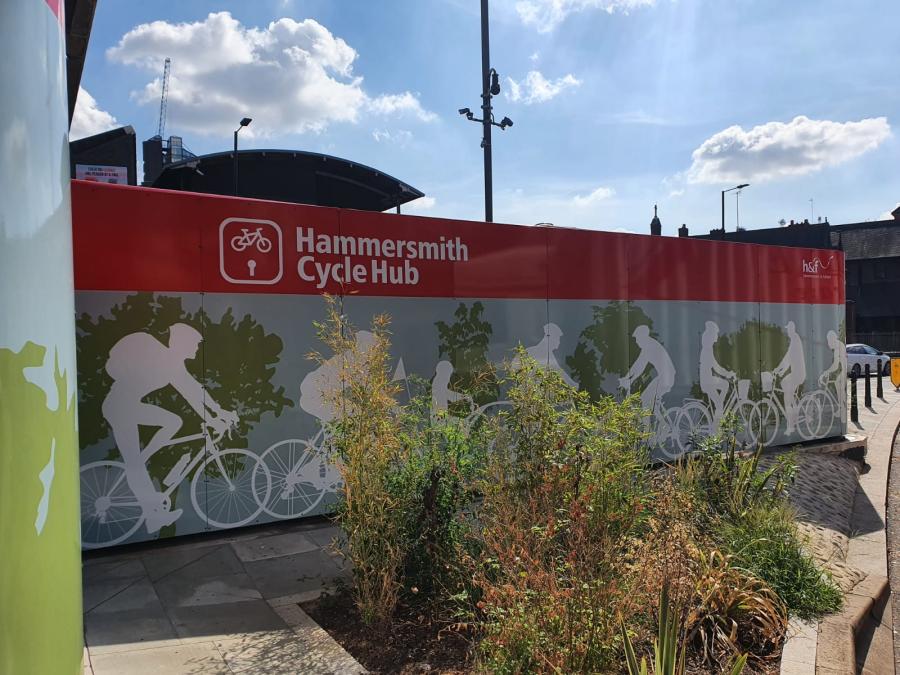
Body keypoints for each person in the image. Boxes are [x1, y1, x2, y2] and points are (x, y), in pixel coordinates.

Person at [101, 323, 238, 533]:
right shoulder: (166, 360)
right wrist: (214, 417)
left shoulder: (172, 363)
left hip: (126, 405)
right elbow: (193, 394)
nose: (196, 349)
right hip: (120, 406)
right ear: (182, 343)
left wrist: (217, 414)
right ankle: (142, 461)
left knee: (169, 426)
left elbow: (194, 392)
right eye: (194, 344)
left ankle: (154, 517)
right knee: (140, 457)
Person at [619, 325, 676, 421]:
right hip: (664, 377)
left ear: (643, 337)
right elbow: (637, 366)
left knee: (645, 399)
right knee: (649, 402)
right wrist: (626, 378)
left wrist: (629, 380)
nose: (636, 341)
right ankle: (663, 426)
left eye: (637, 338)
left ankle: (646, 432)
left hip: (666, 378)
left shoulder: (650, 347)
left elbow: (639, 367)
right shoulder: (648, 346)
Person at [512, 322, 578, 388]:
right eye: (557, 338)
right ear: (549, 338)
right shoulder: (528, 352)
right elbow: (513, 368)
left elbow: (560, 372)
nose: (559, 342)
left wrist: (573, 385)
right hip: (528, 394)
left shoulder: (549, 355)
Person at [698, 321, 735, 425]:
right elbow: (716, 367)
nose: (717, 336)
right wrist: (728, 374)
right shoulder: (707, 350)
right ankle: (719, 413)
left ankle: (717, 420)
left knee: (719, 401)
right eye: (716, 334)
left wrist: (726, 373)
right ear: (711, 335)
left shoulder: (706, 350)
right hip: (707, 381)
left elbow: (715, 366)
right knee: (725, 384)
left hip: (706, 380)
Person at [775, 320, 807, 433]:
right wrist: (779, 369)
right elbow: (788, 358)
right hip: (796, 373)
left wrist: (780, 369)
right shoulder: (794, 338)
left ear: (791, 329)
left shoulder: (795, 339)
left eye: (788, 329)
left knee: (786, 396)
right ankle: (794, 408)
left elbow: (789, 357)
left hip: (798, 374)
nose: (787, 331)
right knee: (784, 384)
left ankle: (791, 426)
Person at [819, 330, 847, 424]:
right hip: (842, 370)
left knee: (838, 384)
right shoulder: (838, 347)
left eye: (829, 341)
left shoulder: (839, 347)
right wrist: (827, 372)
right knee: (837, 385)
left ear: (832, 339)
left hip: (844, 370)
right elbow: (835, 365)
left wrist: (827, 372)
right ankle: (841, 408)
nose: (828, 343)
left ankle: (842, 409)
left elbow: (836, 365)